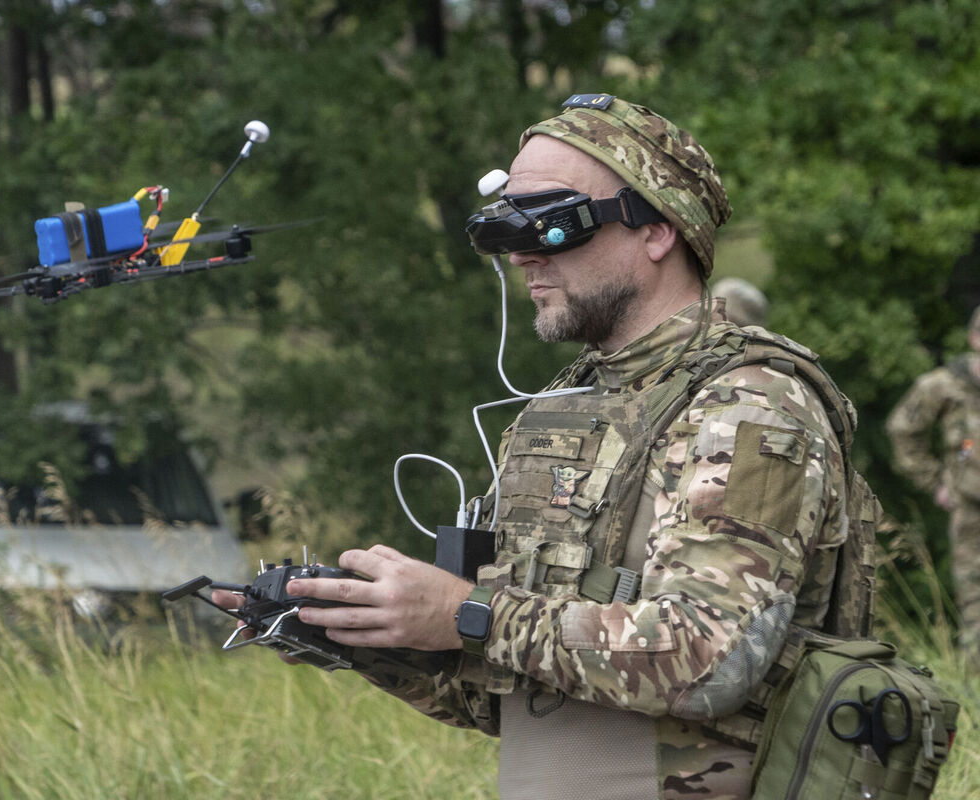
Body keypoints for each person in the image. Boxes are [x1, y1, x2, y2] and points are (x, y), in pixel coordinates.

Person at [217, 95, 854, 800]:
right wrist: (361, 631)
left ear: (658, 230)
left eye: (551, 224)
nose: (521, 254)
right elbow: (506, 693)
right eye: (505, 229)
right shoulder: (567, 407)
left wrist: (467, 611)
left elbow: (711, 660)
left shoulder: (750, 404)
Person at [886, 306, 980, 654]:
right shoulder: (945, 386)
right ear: (974, 338)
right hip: (971, 515)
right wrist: (937, 484)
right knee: (976, 616)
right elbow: (903, 429)